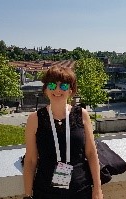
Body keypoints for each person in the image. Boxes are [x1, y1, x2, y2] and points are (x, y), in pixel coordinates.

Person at [23, 61, 103, 199]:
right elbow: (30, 160)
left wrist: (97, 189)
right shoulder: (34, 119)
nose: (58, 90)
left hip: (80, 190)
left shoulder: (81, 115)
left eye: (64, 85)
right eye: (52, 85)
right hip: (45, 192)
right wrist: (27, 195)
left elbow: (91, 154)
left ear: (70, 91)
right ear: (46, 89)